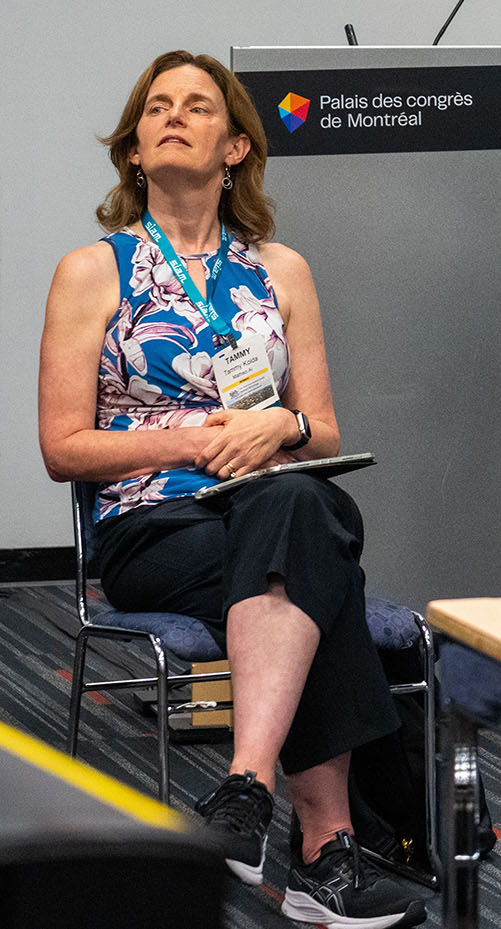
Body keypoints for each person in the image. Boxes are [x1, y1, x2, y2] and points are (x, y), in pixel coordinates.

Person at [37, 51, 425, 929]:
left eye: (198, 106)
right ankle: (325, 854)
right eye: (156, 107)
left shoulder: (282, 270)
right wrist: (199, 437)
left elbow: (322, 431)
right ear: (134, 150)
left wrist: (277, 427)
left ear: (238, 145)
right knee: (317, 555)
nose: (173, 115)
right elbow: (62, 446)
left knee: (294, 507)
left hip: (268, 506)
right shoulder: (92, 270)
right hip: (152, 522)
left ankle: (245, 792)